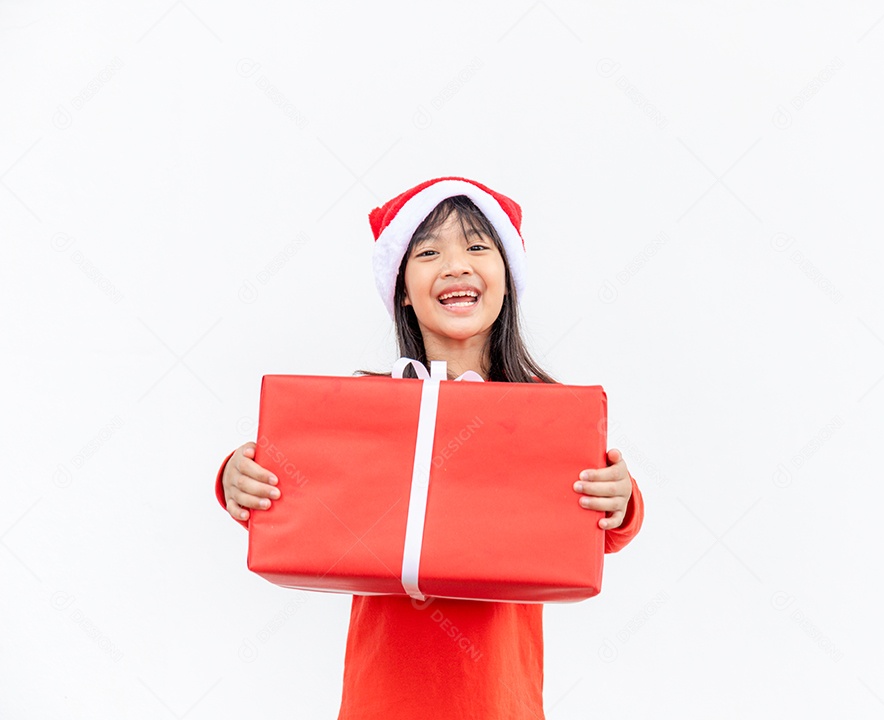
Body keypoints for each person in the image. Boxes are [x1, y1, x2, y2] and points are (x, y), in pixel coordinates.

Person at [214, 176, 645, 718]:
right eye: (429, 251)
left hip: (498, 700)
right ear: (402, 288)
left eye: (477, 246)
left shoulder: (546, 417)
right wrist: (234, 474)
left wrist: (621, 499)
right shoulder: (366, 409)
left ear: (507, 279)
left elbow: (598, 527)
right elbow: (294, 483)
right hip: (381, 701)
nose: (456, 264)